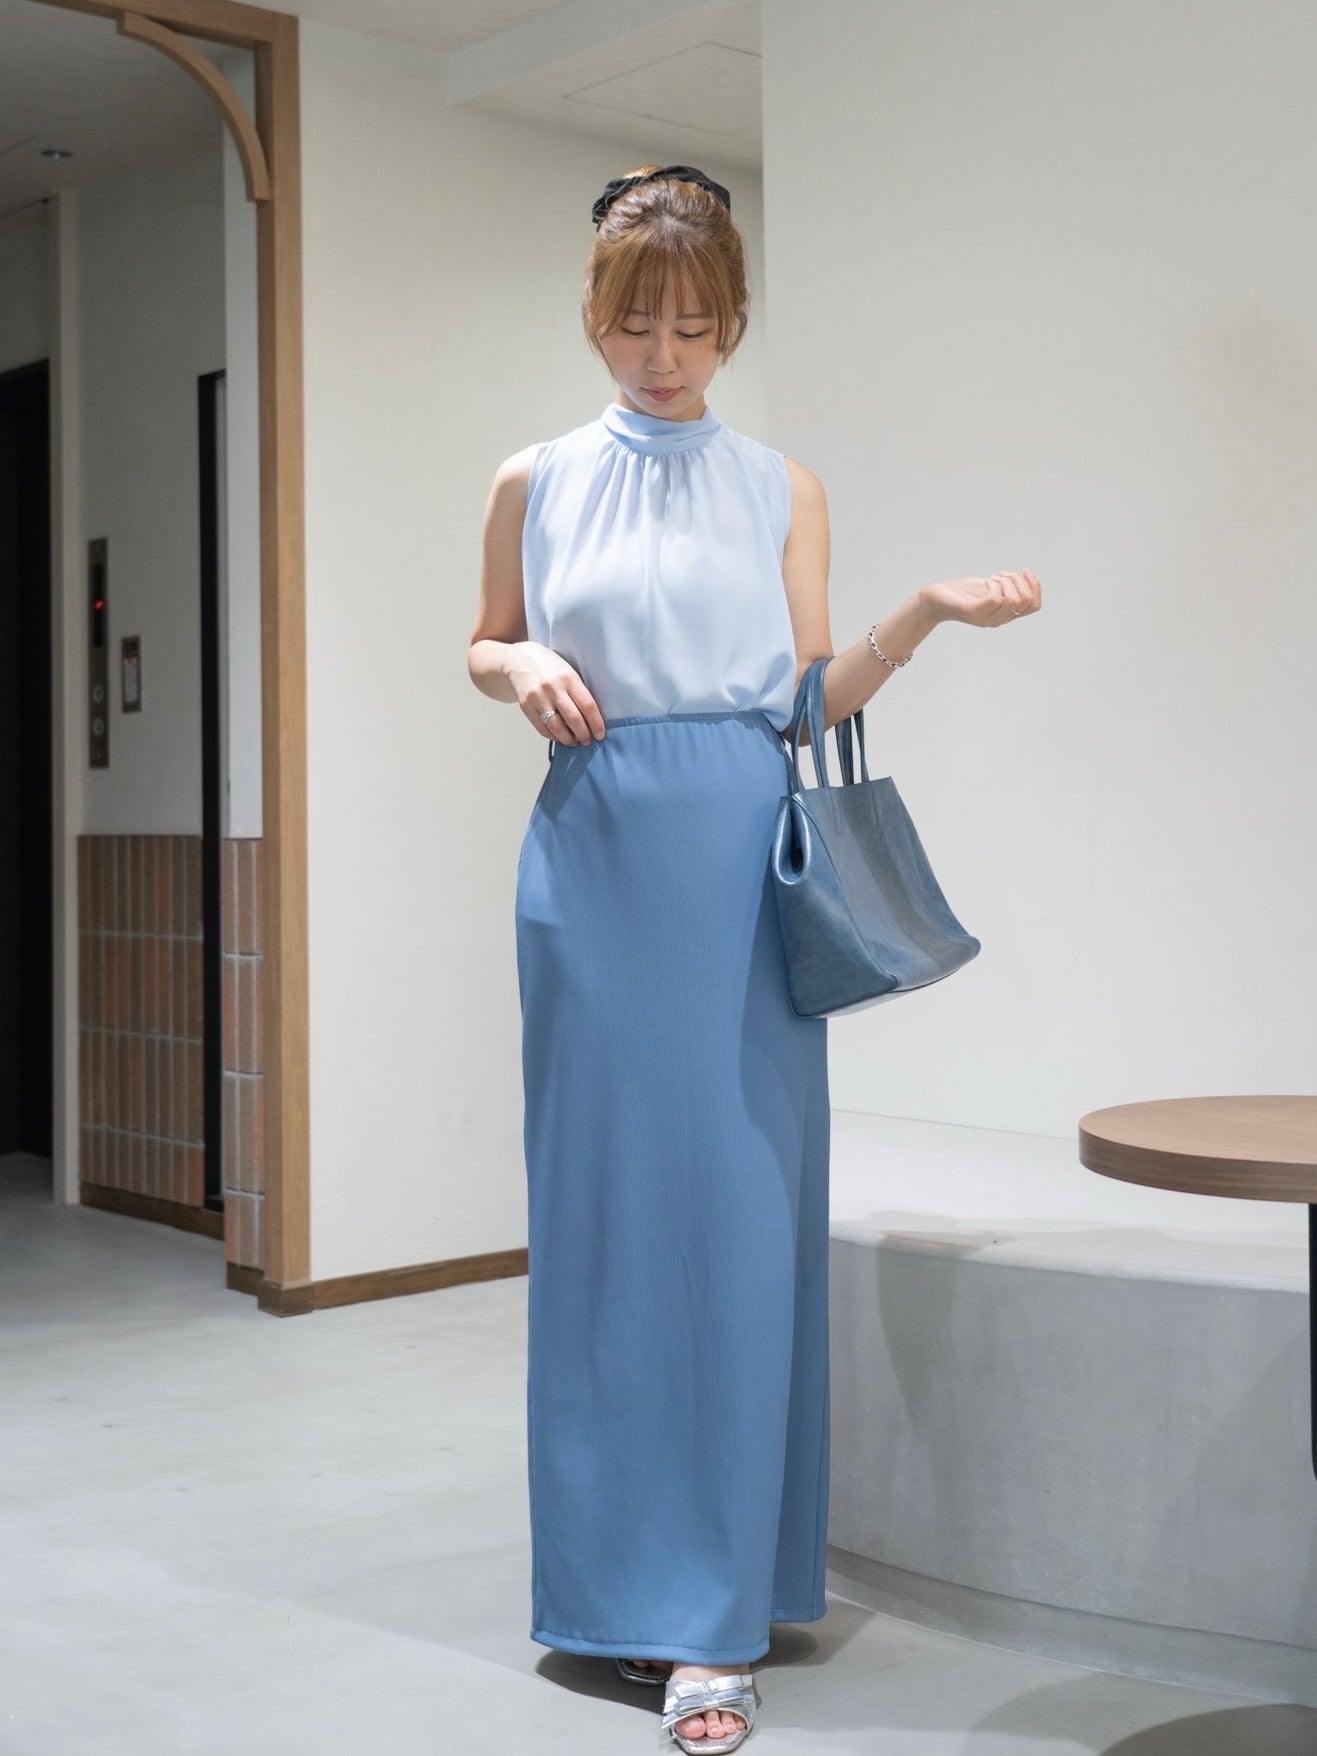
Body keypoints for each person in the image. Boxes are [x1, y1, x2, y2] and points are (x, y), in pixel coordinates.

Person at [467, 162, 1041, 1753]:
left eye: (696, 327)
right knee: (601, 1227)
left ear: (730, 327)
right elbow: (482, 637)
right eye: (636, 324)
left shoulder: (781, 485)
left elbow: (804, 698)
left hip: (734, 863)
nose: (664, 356)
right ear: (594, 317)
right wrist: (516, 666)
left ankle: (715, 1610)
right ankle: (615, 1595)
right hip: (591, 865)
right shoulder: (533, 478)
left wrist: (918, 616)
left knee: (736, 1228)